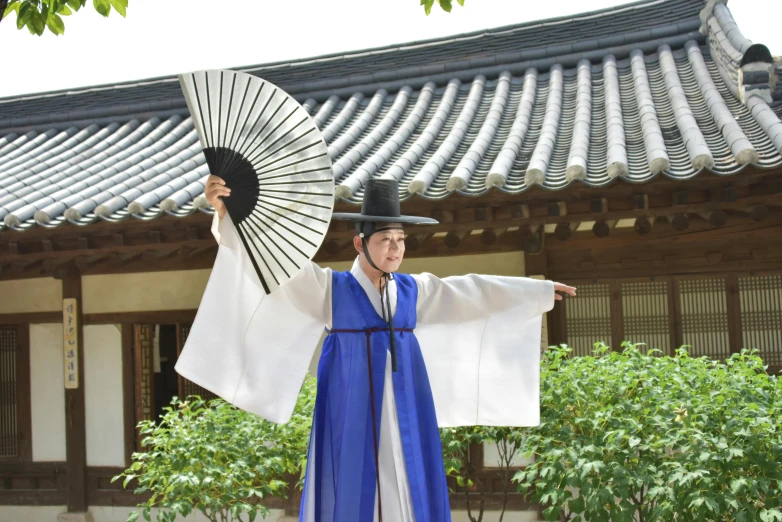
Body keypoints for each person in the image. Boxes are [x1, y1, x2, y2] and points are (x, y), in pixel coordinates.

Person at [176, 175, 576, 522]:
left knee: (407, 477)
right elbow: (272, 262)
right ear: (359, 243)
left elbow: (472, 291)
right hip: (350, 404)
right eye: (386, 239)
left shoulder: (413, 290)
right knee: (354, 481)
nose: (396, 249)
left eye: (400, 240)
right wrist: (225, 214)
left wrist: (535, 291)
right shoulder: (331, 289)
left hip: (405, 407)